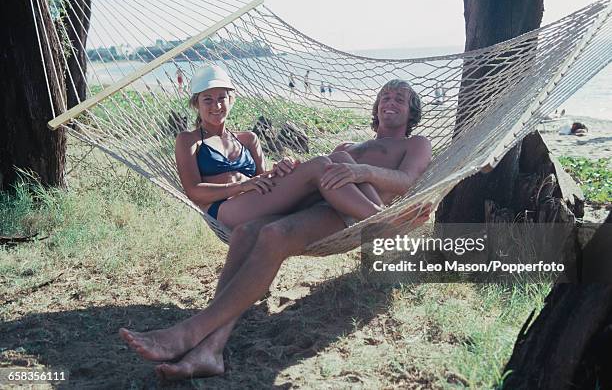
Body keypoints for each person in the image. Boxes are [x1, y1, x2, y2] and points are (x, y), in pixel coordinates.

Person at [120, 78, 433, 380]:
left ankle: (191, 331)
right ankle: (209, 353)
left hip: (351, 218)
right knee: (245, 232)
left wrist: (360, 170)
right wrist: (289, 171)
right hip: (313, 204)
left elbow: (406, 180)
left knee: (275, 234)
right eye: (386, 98)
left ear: (411, 112)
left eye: (400, 99)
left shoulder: (415, 143)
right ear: (376, 108)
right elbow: (314, 181)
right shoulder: (348, 145)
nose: (390, 102)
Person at [173, 65, 392, 230]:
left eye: (222, 98)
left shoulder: (248, 139)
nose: (217, 105)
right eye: (208, 100)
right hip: (225, 209)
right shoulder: (189, 140)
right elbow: (193, 192)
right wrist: (242, 186)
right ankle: (384, 221)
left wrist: (279, 170)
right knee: (320, 166)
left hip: (258, 204)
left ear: (232, 100)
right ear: (196, 103)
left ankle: (381, 211)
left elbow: (263, 182)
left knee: (341, 158)